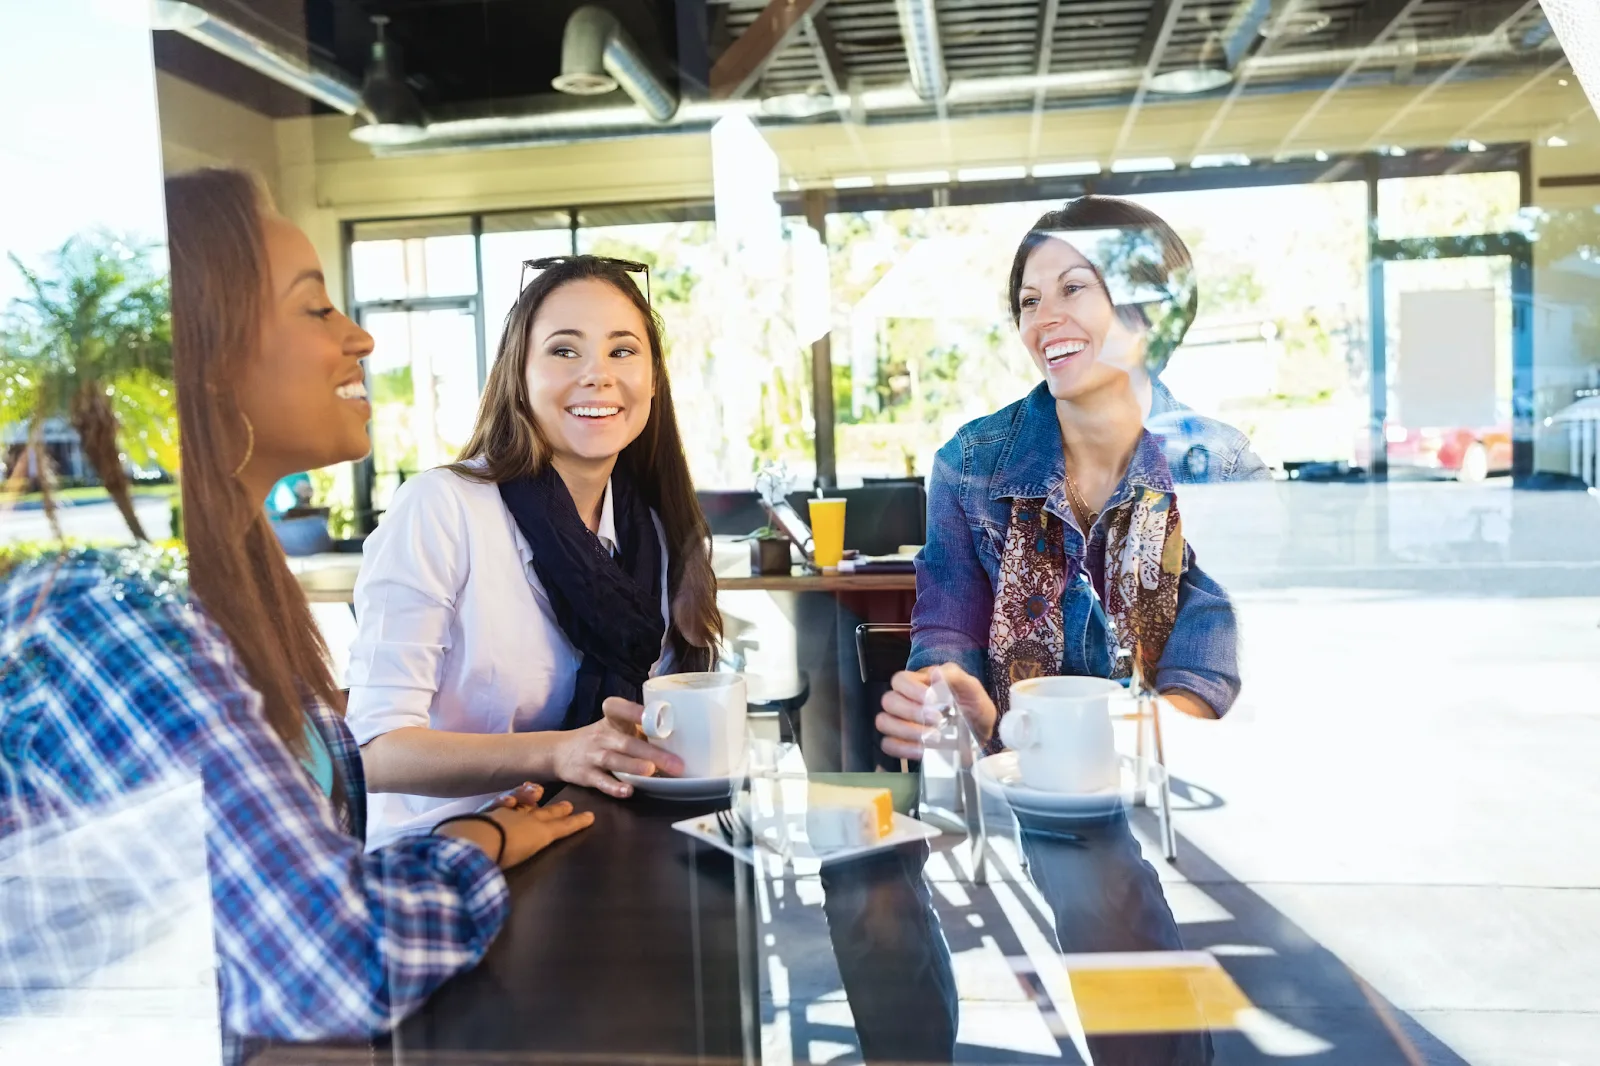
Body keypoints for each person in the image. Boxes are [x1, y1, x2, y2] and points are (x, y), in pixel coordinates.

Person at [0, 167, 592, 1062]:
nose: (360, 338)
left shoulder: (229, 583)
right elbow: (332, 963)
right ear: (202, 364)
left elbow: (290, 890)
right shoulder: (113, 616)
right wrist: (475, 839)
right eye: (316, 310)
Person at [345, 254, 721, 847]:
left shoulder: (656, 532)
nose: (597, 374)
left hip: (598, 840)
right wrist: (559, 753)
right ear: (517, 373)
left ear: (653, 379)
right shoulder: (442, 508)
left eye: (623, 351)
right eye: (564, 350)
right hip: (447, 856)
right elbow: (373, 752)